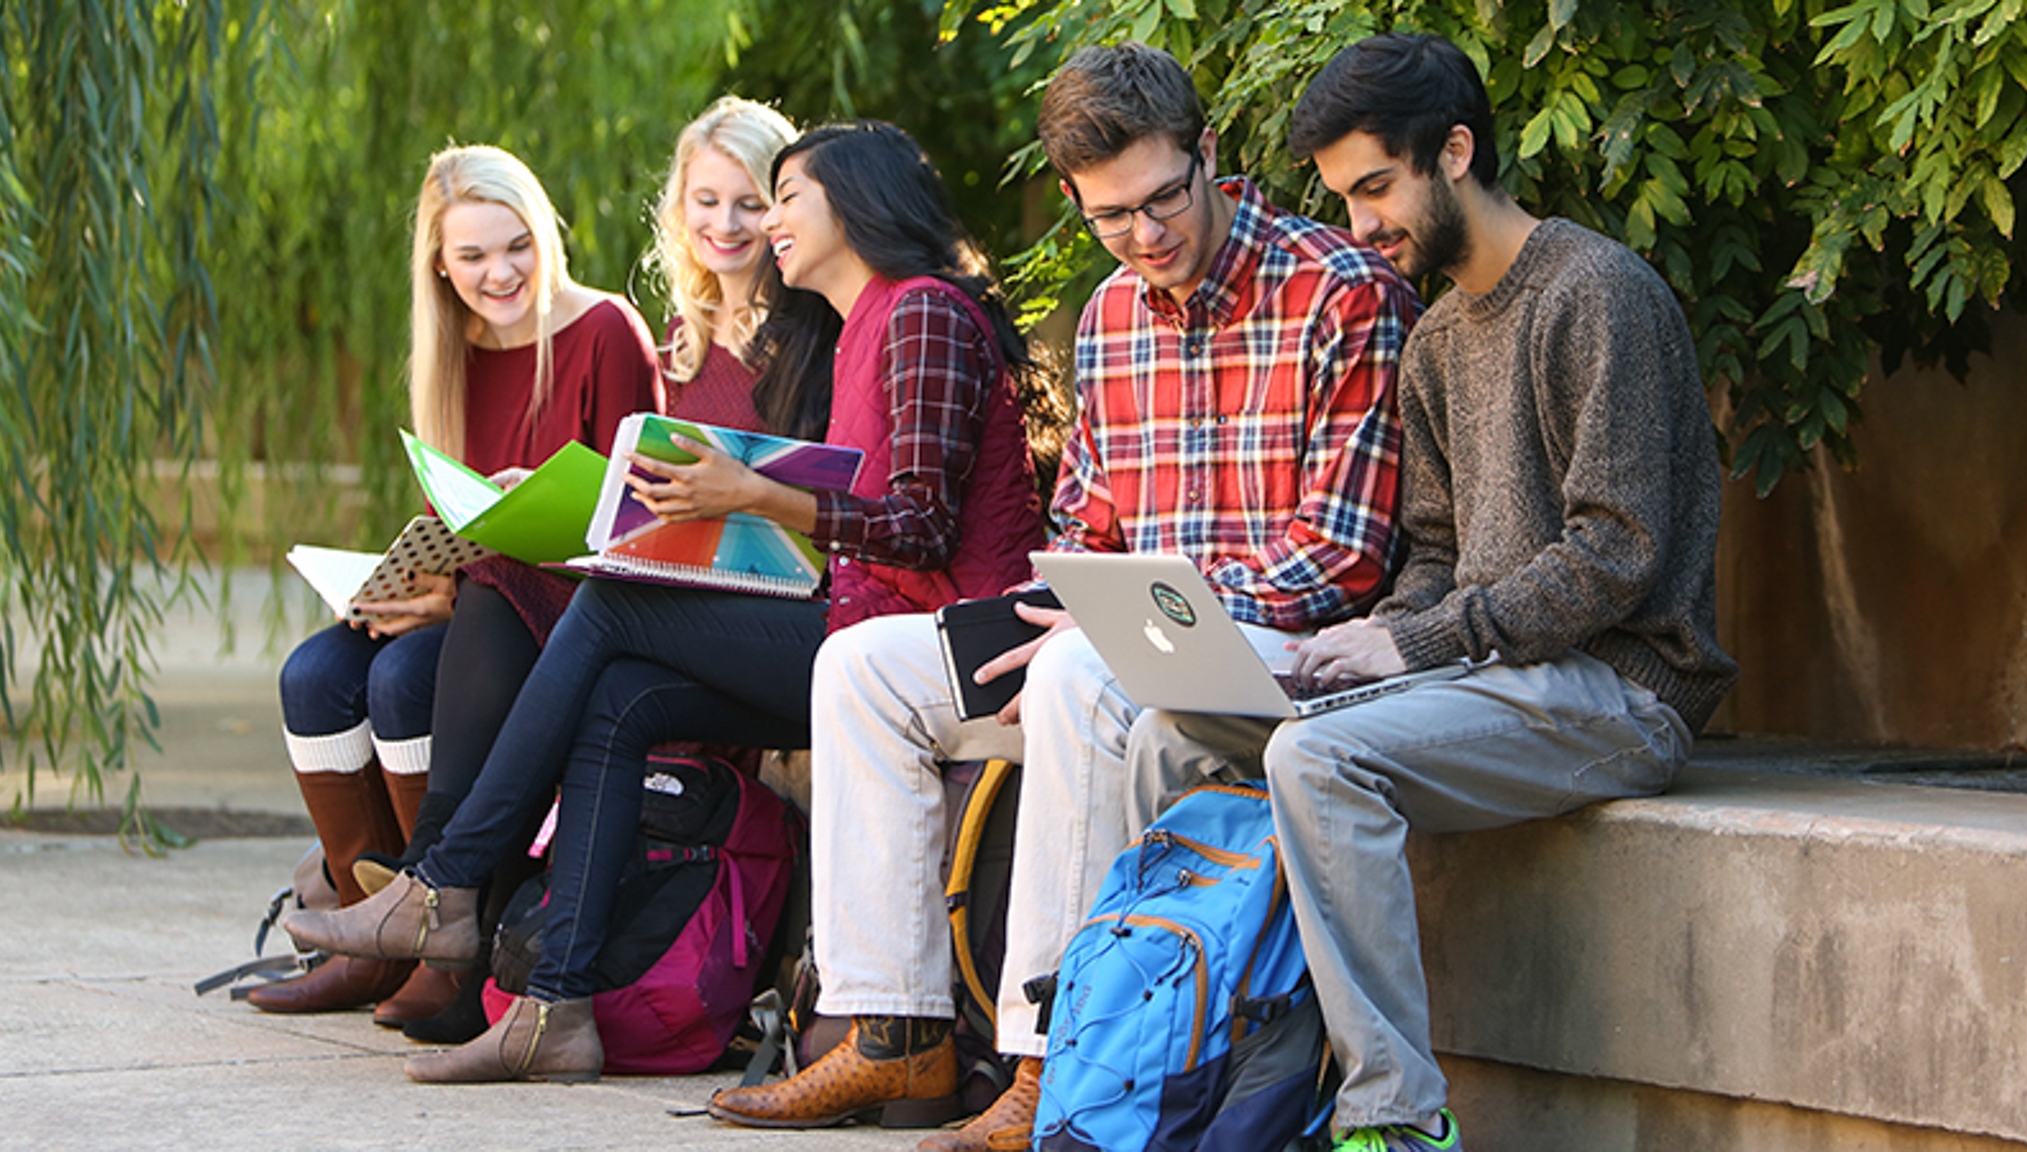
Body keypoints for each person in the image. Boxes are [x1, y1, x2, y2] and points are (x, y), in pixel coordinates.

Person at [704, 43, 1415, 1149]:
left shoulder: (1343, 294)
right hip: (1118, 639)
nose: (1144, 237)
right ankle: (893, 1026)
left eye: (1163, 200)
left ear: (1208, 155)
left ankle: (1050, 1057)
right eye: (1107, 219)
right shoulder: (1111, 318)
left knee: (1083, 666)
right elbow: (1080, 527)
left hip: (1283, 649)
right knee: (860, 668)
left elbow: (1339, 557)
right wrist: (1068, 602)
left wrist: (1126, 618)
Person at [280, 119, 1049, 1084]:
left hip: (921, 645)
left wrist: (752, 494)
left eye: (787, 198)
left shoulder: (921, 311)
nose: (769, 223)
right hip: (853, 631)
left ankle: (447, 882)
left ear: (853, 206)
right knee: (620, 694)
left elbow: (923, 528)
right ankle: (552, 1007)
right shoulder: (862, 326)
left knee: (609, 609)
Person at [1120, 33, 1742, 1152]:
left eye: (1373, 188)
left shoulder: (1596, 295)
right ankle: (1187, 1072)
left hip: (1619, 689)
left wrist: (1415, 647)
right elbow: (1436, 558)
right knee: (1170, 734)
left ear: (1453, 152)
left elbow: (1616, 556)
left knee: (1317, 756)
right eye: (1342, 198)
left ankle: (1392, 1120)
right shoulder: (1438, 339)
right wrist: (1365, 637)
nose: (1358, 227)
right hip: (1492, 676)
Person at [343, 97, 803, 1041]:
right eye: (704, 201)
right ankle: (532, 981)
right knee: (400, 649)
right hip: (661, 598)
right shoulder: (683, 340)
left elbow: (809, 510)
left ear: (786, 209)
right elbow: (634, 505)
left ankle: (442, 884)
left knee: (545, 602)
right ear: (677, 209)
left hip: (754, 611)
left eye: (748, 203)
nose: (724, 225)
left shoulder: (808, 338)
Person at [254, 144, 655, 1016]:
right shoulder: (451, 352)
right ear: (439, 261)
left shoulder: (605, 331)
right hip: (473, 602)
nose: (498, 272)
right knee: (316, 675)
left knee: (403, 679)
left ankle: (445, 945)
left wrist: (456, 591)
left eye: (515, 245)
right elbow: (459, 519)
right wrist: (408, 585)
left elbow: (635, 522)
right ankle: (372, 930)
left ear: (543, 234)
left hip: (567, 613)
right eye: (471, 255)